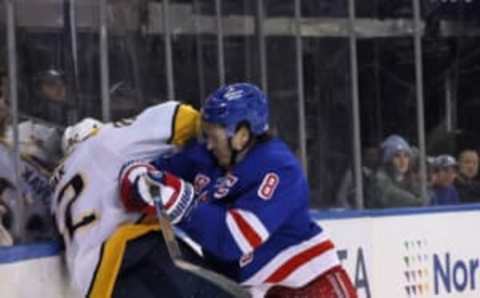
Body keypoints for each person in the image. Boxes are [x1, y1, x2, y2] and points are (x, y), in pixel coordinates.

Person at [120, 83, 357, 297]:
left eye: (214, 136)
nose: (209, 144)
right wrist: (136, 178)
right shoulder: (205, 158)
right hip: (253, 291)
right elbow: (149, 175)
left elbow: (234, 239)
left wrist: (179, 201)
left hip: (310, 287)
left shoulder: (278, 168)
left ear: (242, 136)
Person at [51, 101, 232, 298]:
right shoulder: (102, 142)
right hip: (129, 256)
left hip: (92, 287)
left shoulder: (56, 192)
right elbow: (178, 119)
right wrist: (214, 129)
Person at [366, 134, 425, 208]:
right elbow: (390, 195)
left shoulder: (407, 178)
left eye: (406, 156)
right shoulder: (379, 177)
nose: (403, 161)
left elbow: (423, 195)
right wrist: (417, 201)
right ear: (388, 160)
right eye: (397, 156)